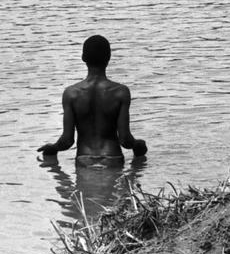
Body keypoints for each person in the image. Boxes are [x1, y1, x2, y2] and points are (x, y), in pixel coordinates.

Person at [37, 35, 148, 163]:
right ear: (109, 57)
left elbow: (67, 141)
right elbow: (125, 140)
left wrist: (54, 148)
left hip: (84, 160)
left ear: (83, 58)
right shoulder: (120, 92)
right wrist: (138, 145)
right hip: (113, 158)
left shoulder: (71, 94)